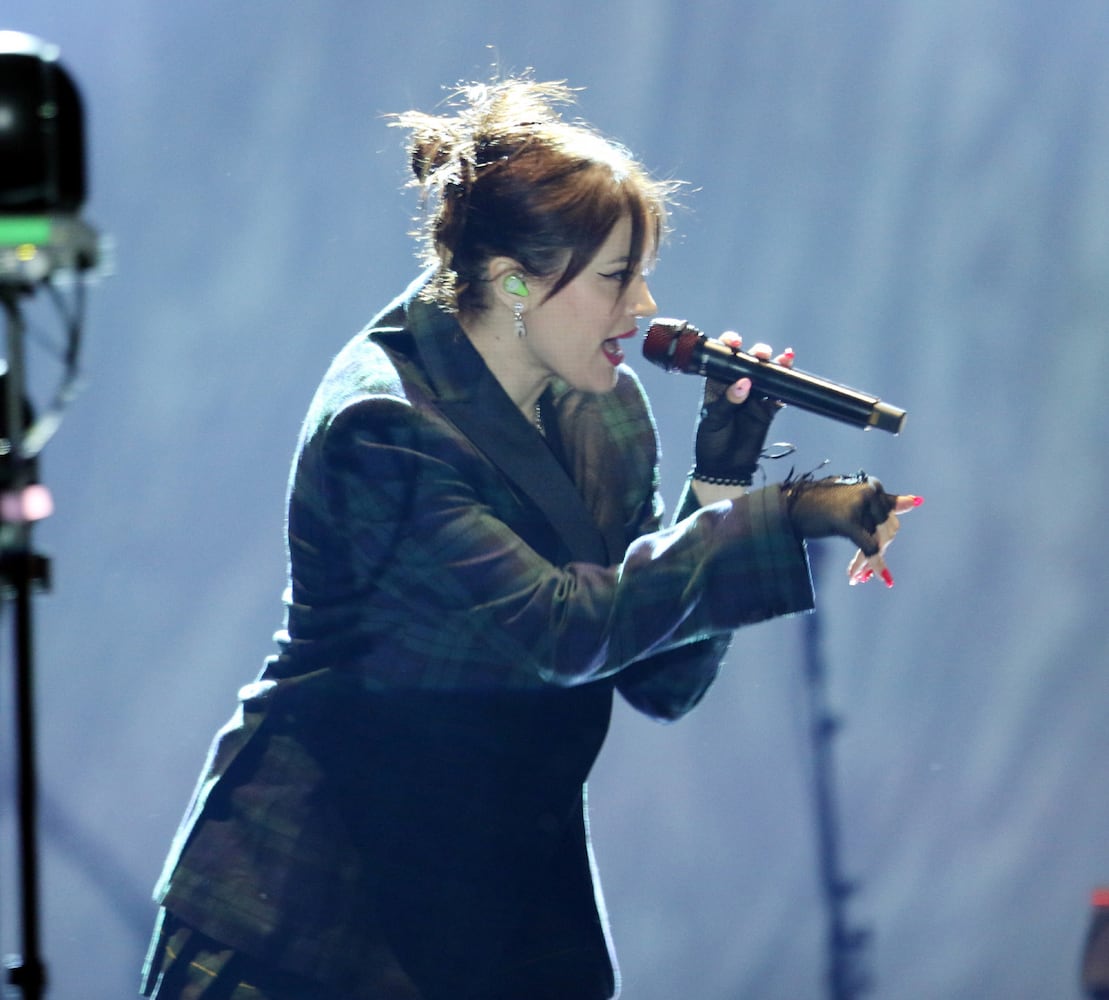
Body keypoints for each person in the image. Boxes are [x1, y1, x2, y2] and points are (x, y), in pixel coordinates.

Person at [140, 77, 920, 1000]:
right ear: (514, 282)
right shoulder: (385, 425)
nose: (644, 306)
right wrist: (776, 517)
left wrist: (720, 481)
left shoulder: (606, 411)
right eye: (616, 276)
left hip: (497, 914)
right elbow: (559, 631)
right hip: (317, 912)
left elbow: (659, 680)